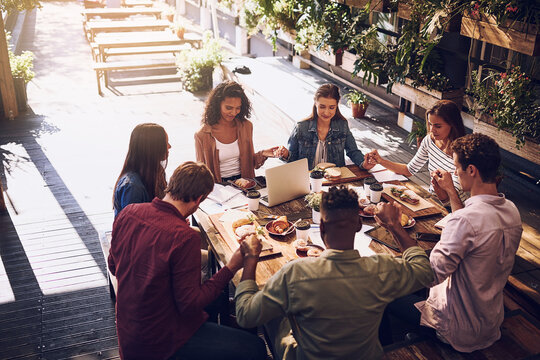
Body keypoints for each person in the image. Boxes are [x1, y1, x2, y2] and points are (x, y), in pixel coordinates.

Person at [234, 186, 433, 359]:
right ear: (358, 225)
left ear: (321, 227)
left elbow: (245, 316)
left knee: (275, 316)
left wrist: (251, 259)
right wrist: (393, 225)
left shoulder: (294, 275)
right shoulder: (381, 269)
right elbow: (424, 271)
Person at [108, 162, 267, 360]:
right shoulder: (183, 237)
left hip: (128, 331)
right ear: (198, 199)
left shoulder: (129, 212)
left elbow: (113, 266)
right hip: (159, 343)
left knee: (220, 301)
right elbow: (191, 305)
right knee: (256, 348)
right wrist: (232, 266)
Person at [380, 133, 523, 352]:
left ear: (472, 170)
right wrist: (449, 191)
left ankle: (395, 351)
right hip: (489, 321)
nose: (455, 172)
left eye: (457, 167)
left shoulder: (465, 221)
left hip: (455, 330)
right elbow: (470, 227)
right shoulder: (510, 210)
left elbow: (426, 276)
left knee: (378, 291)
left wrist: (394, 226)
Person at [365, 100, 468, 206]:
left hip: (456, 207)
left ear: (452, 124)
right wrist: (381, 161)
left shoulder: (463, 152)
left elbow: (454, 193)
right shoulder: (429, 141)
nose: (432, 130)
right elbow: (408, 170)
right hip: (433, 200)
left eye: (438, 126)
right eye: (430, 124)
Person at [195, 80, 280, 183]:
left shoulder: (246, 126)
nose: (234, 112)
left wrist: (263, 154)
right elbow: (200, 172)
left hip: (245, 182)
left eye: (238, 108)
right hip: (219, 186)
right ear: (217, 105)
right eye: (229, 108)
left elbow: (248, 162)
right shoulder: (202, 135)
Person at [274, 83, 373, 170]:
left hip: (334, 181)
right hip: (307, 181)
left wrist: (364, 164)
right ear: (315, 103)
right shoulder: (301, 127)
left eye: (331, 107)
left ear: (337, 105)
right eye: (322, 106)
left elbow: (353, 152)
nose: (326, 112)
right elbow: (292, 160)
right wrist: (285, 154)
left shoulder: (342, 125)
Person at [113, 123, 171, 217]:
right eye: (166, 142)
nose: (169, 146)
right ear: (153, 148)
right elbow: (133, 228)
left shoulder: (158, 172)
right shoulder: (132, 187)